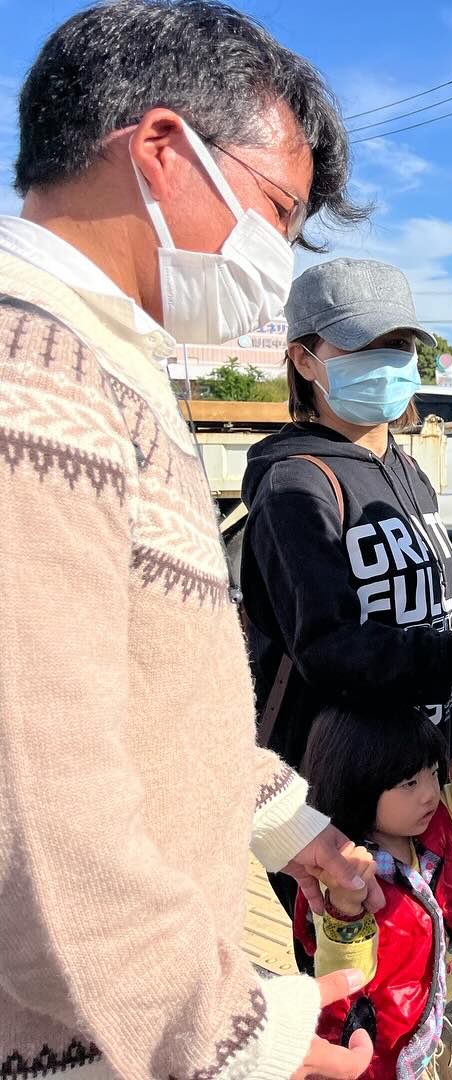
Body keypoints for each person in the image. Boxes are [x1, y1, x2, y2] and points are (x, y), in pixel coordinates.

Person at [0, 2, 386, 1077]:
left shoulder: (104, 354)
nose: (277, 253)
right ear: (164, 149)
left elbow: (146, 691)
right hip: (86, 1043)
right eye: (277, 209)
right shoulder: (28, 379)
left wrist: (282, 824)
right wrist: (245, 1041)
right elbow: (35, 795)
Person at [241, 257, 452, 777]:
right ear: (304, 359)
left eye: (400, 345)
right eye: (361, 346)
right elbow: (329, 650)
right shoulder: (294, 485)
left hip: (417, 772)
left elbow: (425, 618)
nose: (386, 361)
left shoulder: (407, 470)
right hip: (338, 790)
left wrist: (444, 737)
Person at [295, 692, 452, 1079]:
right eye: (409, 782)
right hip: (392, 1032)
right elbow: (342, 976)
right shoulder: (341, 868)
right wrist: (346, 908)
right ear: (357, 785)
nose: (429, 792)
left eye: (431, 772)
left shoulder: (443, 821)